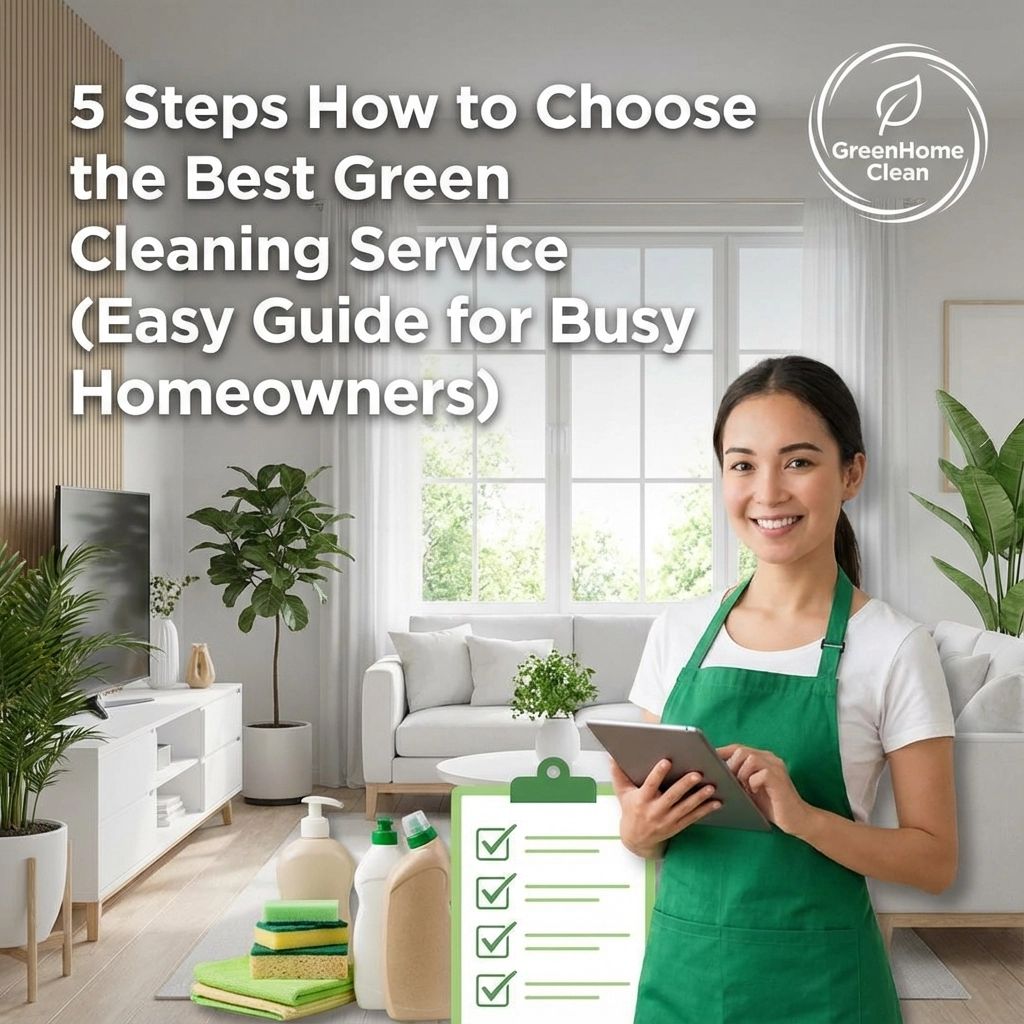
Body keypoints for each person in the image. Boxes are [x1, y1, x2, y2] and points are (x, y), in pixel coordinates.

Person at [615, 355, 957, 1024]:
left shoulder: (894, 647)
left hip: (824, 992)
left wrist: (802, 817)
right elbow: (642, 825)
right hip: (683, 982)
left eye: (798, 462)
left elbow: (934, 861)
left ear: (851, 473)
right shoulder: (678, 632)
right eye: (742, 465)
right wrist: (638, 829)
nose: (768, 492)